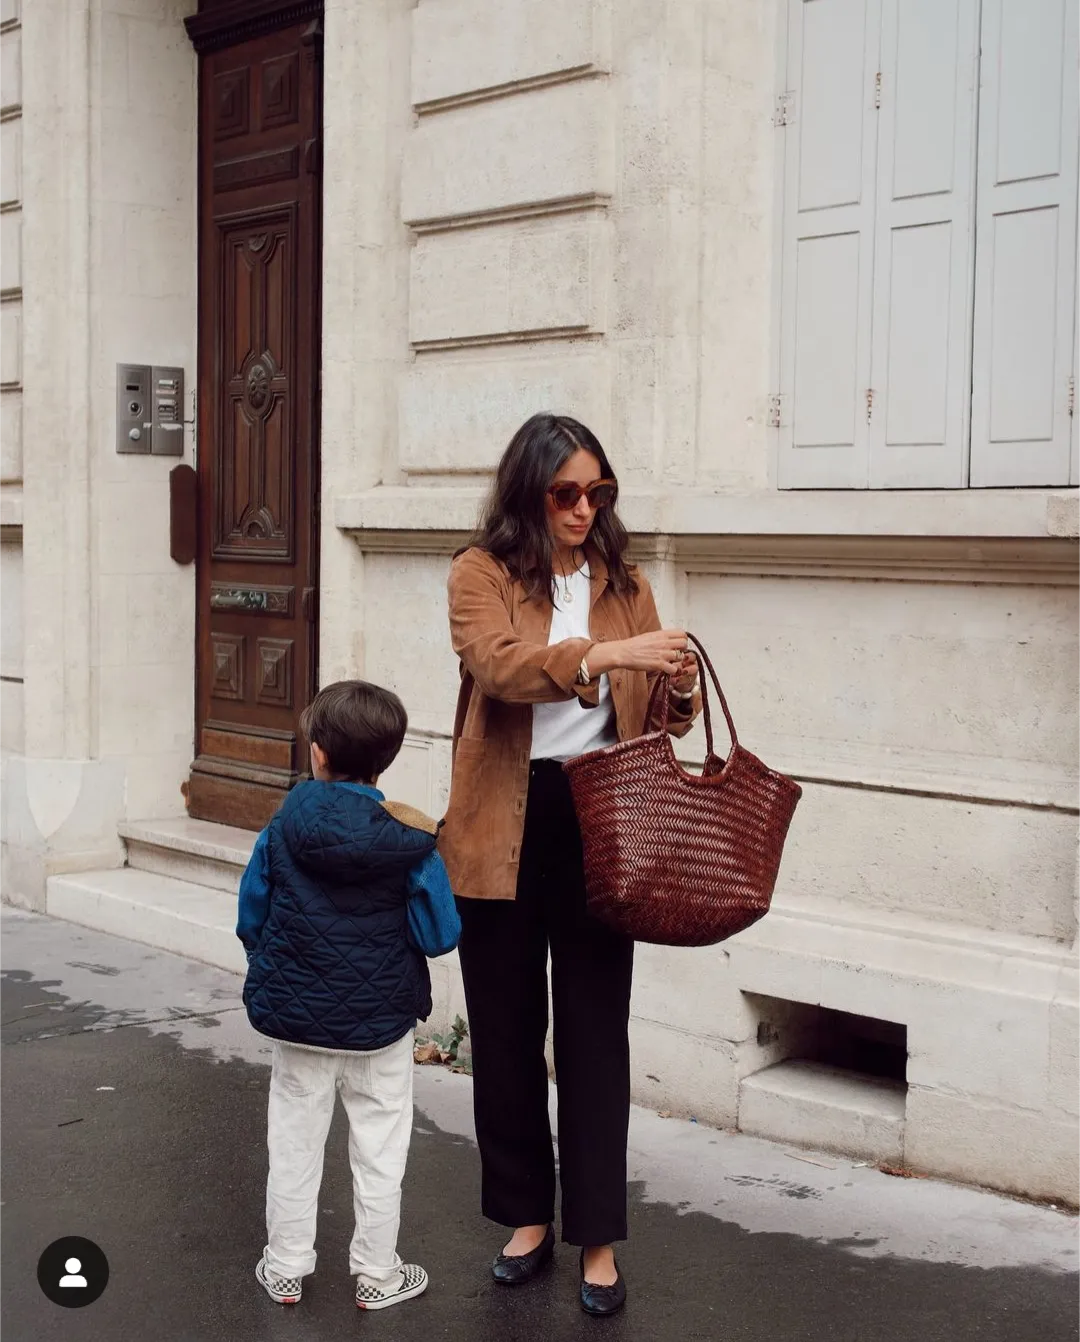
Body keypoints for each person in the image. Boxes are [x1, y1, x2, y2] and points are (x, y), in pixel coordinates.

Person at [439, 412, 700, 1316]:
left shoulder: (625, 582)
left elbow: (657, 717)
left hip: (602, 816)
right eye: (567, 492)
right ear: (529, 491)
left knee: (595, 1033)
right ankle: (523, 1218)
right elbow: (500, 668)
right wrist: (606, 653)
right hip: (502, 820)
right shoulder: (481, 575)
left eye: (600, 491)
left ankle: (596, 1236)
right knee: (504, 1031)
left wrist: (676, 695)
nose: (585, 508)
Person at [236, 680, 460, 1312]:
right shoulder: (412, 841)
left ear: (316, 754)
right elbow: (440, 933)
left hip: (297, 1021)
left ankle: (284, 1268)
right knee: (381, 1145)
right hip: (381, 1024)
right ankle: (378, 1274)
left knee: (295, 1140)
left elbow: (252, 913)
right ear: (383, 762)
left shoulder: (282, 826)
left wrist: (274, 964)